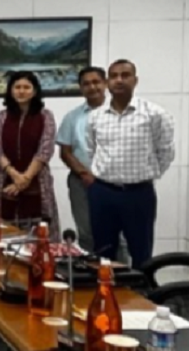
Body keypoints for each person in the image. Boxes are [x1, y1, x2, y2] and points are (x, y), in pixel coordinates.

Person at [86, 59, 175, 267]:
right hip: (102, 193)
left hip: (138, 194)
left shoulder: (155, 114)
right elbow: (91, 150)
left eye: (125, 75)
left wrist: (146, 175)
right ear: (107, 82)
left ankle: (142, 288)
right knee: (103, 252)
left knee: (141, 252)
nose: (119, 80)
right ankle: (107, 288)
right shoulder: (95, 116)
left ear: (135, 80)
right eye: (114, 76)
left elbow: (166, 152)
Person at [57, 67, 128, 260]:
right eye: (86, 84)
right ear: (81, 88)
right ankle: (91, 275)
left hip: (117, 182)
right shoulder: (72, 117)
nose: (92, 87)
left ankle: (123, 276)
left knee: (120, 237)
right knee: (87, 235)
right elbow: (65, 152)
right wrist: (84, 173)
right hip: (82, 183)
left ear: (105, 84)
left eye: (96, 82)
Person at [0, 71, 59, 234]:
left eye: (27, 87)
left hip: (38, 182)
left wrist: (25, 179)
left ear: (35, 91)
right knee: (3, 232)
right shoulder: (2, 116)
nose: (21, 91)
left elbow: (45, 150)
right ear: (10, 90)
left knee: (39, 234)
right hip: (5, 181)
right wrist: (15, 176)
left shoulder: (45, 116)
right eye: (17, 87)